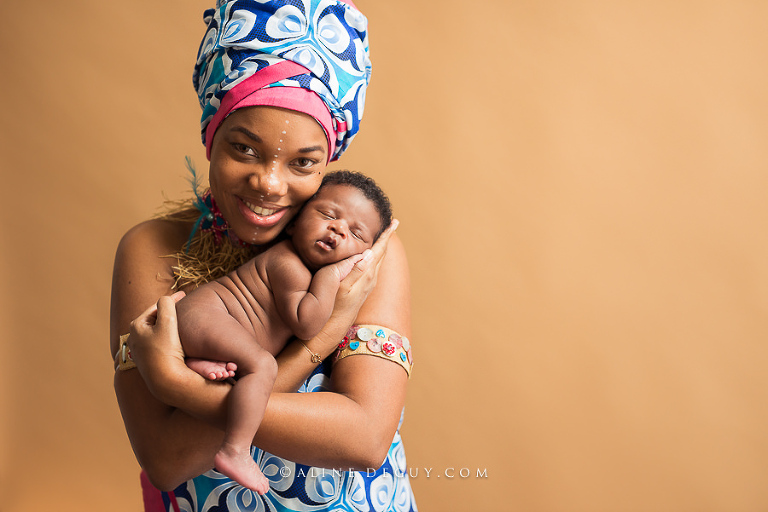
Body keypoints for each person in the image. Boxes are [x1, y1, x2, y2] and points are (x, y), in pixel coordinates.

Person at [110, 1, 417, 511]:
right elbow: (167, 459)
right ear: (212, 135)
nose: (269, 184)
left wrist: (181, 388)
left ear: (329, 162)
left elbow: (364, 439)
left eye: (303, 162)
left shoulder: (361, 254)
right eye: (245, 149)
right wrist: (326, 328)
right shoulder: (153, 251)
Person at [173, 171, 393, 494]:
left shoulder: (303, 270)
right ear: (293, 223)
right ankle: (234, 449)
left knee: (245, 365)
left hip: (207, 328)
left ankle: (202, 364)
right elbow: (307, 323)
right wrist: (333, 275)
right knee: (263, 366)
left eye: (356, 234)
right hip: (205, 315)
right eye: (328, 215)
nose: (338, 229)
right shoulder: (287, 264)